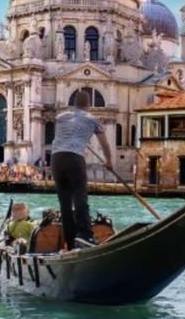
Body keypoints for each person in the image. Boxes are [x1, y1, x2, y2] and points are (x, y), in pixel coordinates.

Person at [51, 91, 113, 250]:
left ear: (74, 103)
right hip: (74, 158)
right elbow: (105, 144)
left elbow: (66, 134)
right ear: (89, 105)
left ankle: (71, 242)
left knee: (64, 201)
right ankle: (85, 235)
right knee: (80, 196)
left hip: (56, 158)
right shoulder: (92, 120)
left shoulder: (60, 117)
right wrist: (109, 162)